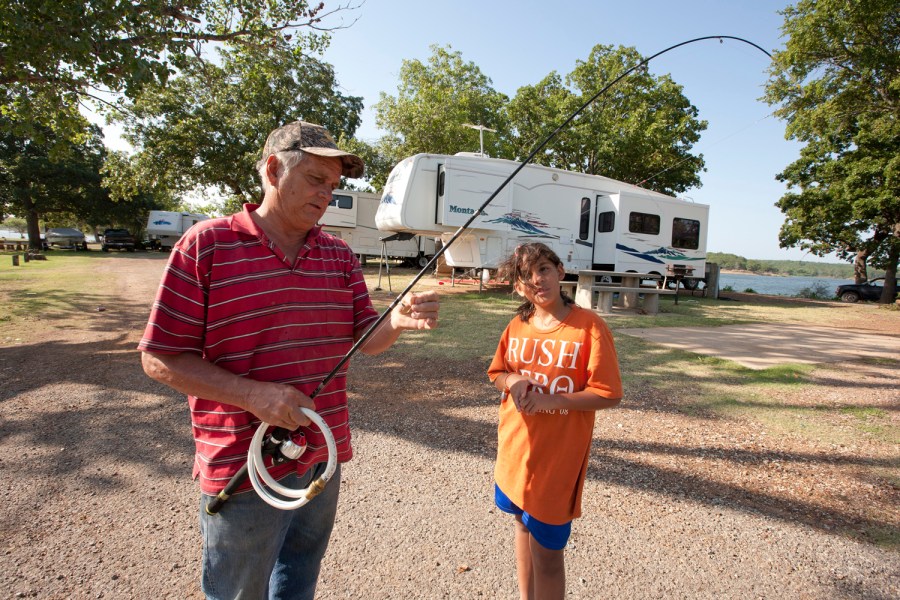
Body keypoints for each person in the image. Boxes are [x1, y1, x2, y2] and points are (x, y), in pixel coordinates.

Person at [138, 120, 440, 600]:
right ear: (274, 170)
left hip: (324, 454)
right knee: (239, 591)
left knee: (298, 579)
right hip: (242, 466)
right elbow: (160, 358)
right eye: (317, 180)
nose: (327, 195)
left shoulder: (338, 256)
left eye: (334, 186)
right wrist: (253, 395)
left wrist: (398, 320)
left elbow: (366, 339)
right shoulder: (206, 245)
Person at [487, 243, 622, 600]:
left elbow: (609, 394)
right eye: (526, 277)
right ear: (518, 288)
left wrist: (549, 400)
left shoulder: (588, 327)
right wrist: (513, 382)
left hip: (556, 465)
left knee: (548, 556)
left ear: (560, 271)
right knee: (520, 527)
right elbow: (497, 372)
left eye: (544, 269)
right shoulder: (517, 324)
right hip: (515, 455)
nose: (537, 281)